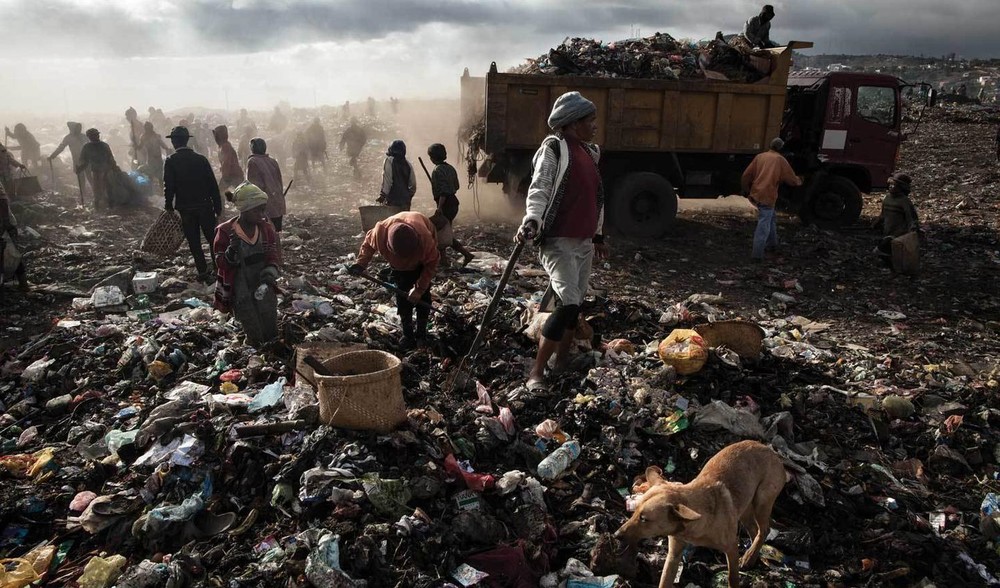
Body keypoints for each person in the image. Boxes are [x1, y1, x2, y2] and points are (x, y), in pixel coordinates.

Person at [515, 91, 609, 391]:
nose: (594, 126)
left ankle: (562, 362)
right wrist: (532, 219)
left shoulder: (589, 153)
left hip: (582, 242)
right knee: (567, 303)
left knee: (575, 304)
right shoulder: (555, 148)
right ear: (572, 123)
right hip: (558, 241)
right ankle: (536, 372)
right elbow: (540, 187)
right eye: (589, 120)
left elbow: (596, 198)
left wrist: (598, 235)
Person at [349, 211, 439, 348]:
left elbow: (432, 263)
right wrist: (361, 263)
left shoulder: (425, 238)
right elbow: (367, 244)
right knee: (402, 296)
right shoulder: (379, 234)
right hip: (399, 270)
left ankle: (421, 333)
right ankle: (408, 334)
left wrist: (419, 289)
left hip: (420, 264)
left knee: (423, 297)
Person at [213, 182, 282, 346]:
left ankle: (272, 344)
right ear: (244, 209)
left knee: (268, 313)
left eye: (263, 209)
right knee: (248, 315)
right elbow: (220, 263)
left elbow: (272, 253)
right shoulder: (225, 231)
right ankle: (256, 345)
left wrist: (270, 273)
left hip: (262, 278)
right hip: (240, 282)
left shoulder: (265, 228)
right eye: (257, 210)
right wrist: (232, 250)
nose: (262, 214)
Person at [163, 126, 222, 283]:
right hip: (204, 205)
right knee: (212, 239)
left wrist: (168, 205)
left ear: (175, 142)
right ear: (187, 140)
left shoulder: (171, 161)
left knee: (194, 241)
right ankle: (218, 268)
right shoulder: (200, 159)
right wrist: (218, 207)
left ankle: (202, 271)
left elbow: (169, 186)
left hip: (185, 208)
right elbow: (212, 185)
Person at [741, 137, 802, 261]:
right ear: (781, 148)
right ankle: (757, 255)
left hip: (757, 193)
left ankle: (772, 244)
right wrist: (800, 180)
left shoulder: (760, 156)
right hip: (768, 195)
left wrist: (746, 189)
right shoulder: (780, 160)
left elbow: (746, 175)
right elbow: (791, 179)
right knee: (764, 224)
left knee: (771, 217)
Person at [428, 143, 474, 266]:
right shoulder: (450, 168)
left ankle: (465, 255)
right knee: (443, 231)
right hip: (454, 203)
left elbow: (443, 192)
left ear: (432, 158)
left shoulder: (437, 170)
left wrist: (439, 208)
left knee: (441, 232)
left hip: (446, 205)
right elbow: (456, 186)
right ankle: (444, 259)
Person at [872, 173, 920, 267]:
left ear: (901, 187)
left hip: (898, 233)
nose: (891, 187)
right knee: (889, 252)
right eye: (890, 184)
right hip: (887, 230)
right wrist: (876, 223)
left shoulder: (904, 201)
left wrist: (912, 230)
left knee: (879, 251)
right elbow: (883, 214)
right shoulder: (887, 198)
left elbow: (912, 218)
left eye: (894, 185)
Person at [246, 138, 286, 231]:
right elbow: (279, 182)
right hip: (277, 204)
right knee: (276, 234)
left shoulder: (252, 161)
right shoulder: (273, 161)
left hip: (264, 207)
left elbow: (253, 187)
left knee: (265, 237)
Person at [76, 129, 116, 209]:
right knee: (97, 190)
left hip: (106, 170)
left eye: (97, 135)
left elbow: (110, 158)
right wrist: (80, 168)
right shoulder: (87, 147)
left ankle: (110, 205)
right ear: (89, 137)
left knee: (108, 188)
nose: (96, 136)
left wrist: (114, 167)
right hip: (96, 171)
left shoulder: (104, 145)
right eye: (94, 135)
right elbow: (85, 161)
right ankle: (98, 206)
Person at [0, 181, 28, 291]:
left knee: (13, 254)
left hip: (5, 224)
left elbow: (2, 202)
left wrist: (5, 225)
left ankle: (23, 283)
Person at [49, 122, 89, 194]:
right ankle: (83, 192)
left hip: (87, 159)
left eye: (79, 128)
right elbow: (61, 147)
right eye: (77, 128)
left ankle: (96, 192)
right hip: (77, 159)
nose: (79, 130)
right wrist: (53, 155)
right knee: (81, 177)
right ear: (72, 129)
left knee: (90, 176)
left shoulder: (84, 136)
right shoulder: (68, 138)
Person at [379, 140, 416, 210]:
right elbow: (413, 185)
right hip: (406, 202)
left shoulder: (389, 161)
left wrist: (382, 195)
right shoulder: (408, 164)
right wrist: (408, 196)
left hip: (392, 201)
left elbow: (387, 181)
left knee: (392, 220)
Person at [139, 122, 171, 189]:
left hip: (157, 158)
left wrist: (167, 149)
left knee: (159, 175)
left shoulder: (155, 136)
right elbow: (140, 147)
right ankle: (154, 190)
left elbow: (162, 144)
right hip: (151, 158)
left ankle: (160, 189)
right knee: (152, 175)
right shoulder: (143, 137)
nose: (149, 129)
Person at [213, 125, 243, 191]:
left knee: (220, 193)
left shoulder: (225, 146)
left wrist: (225, 176)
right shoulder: (224, 145)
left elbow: (227, 162)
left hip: (232, 175)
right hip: (234, 174)